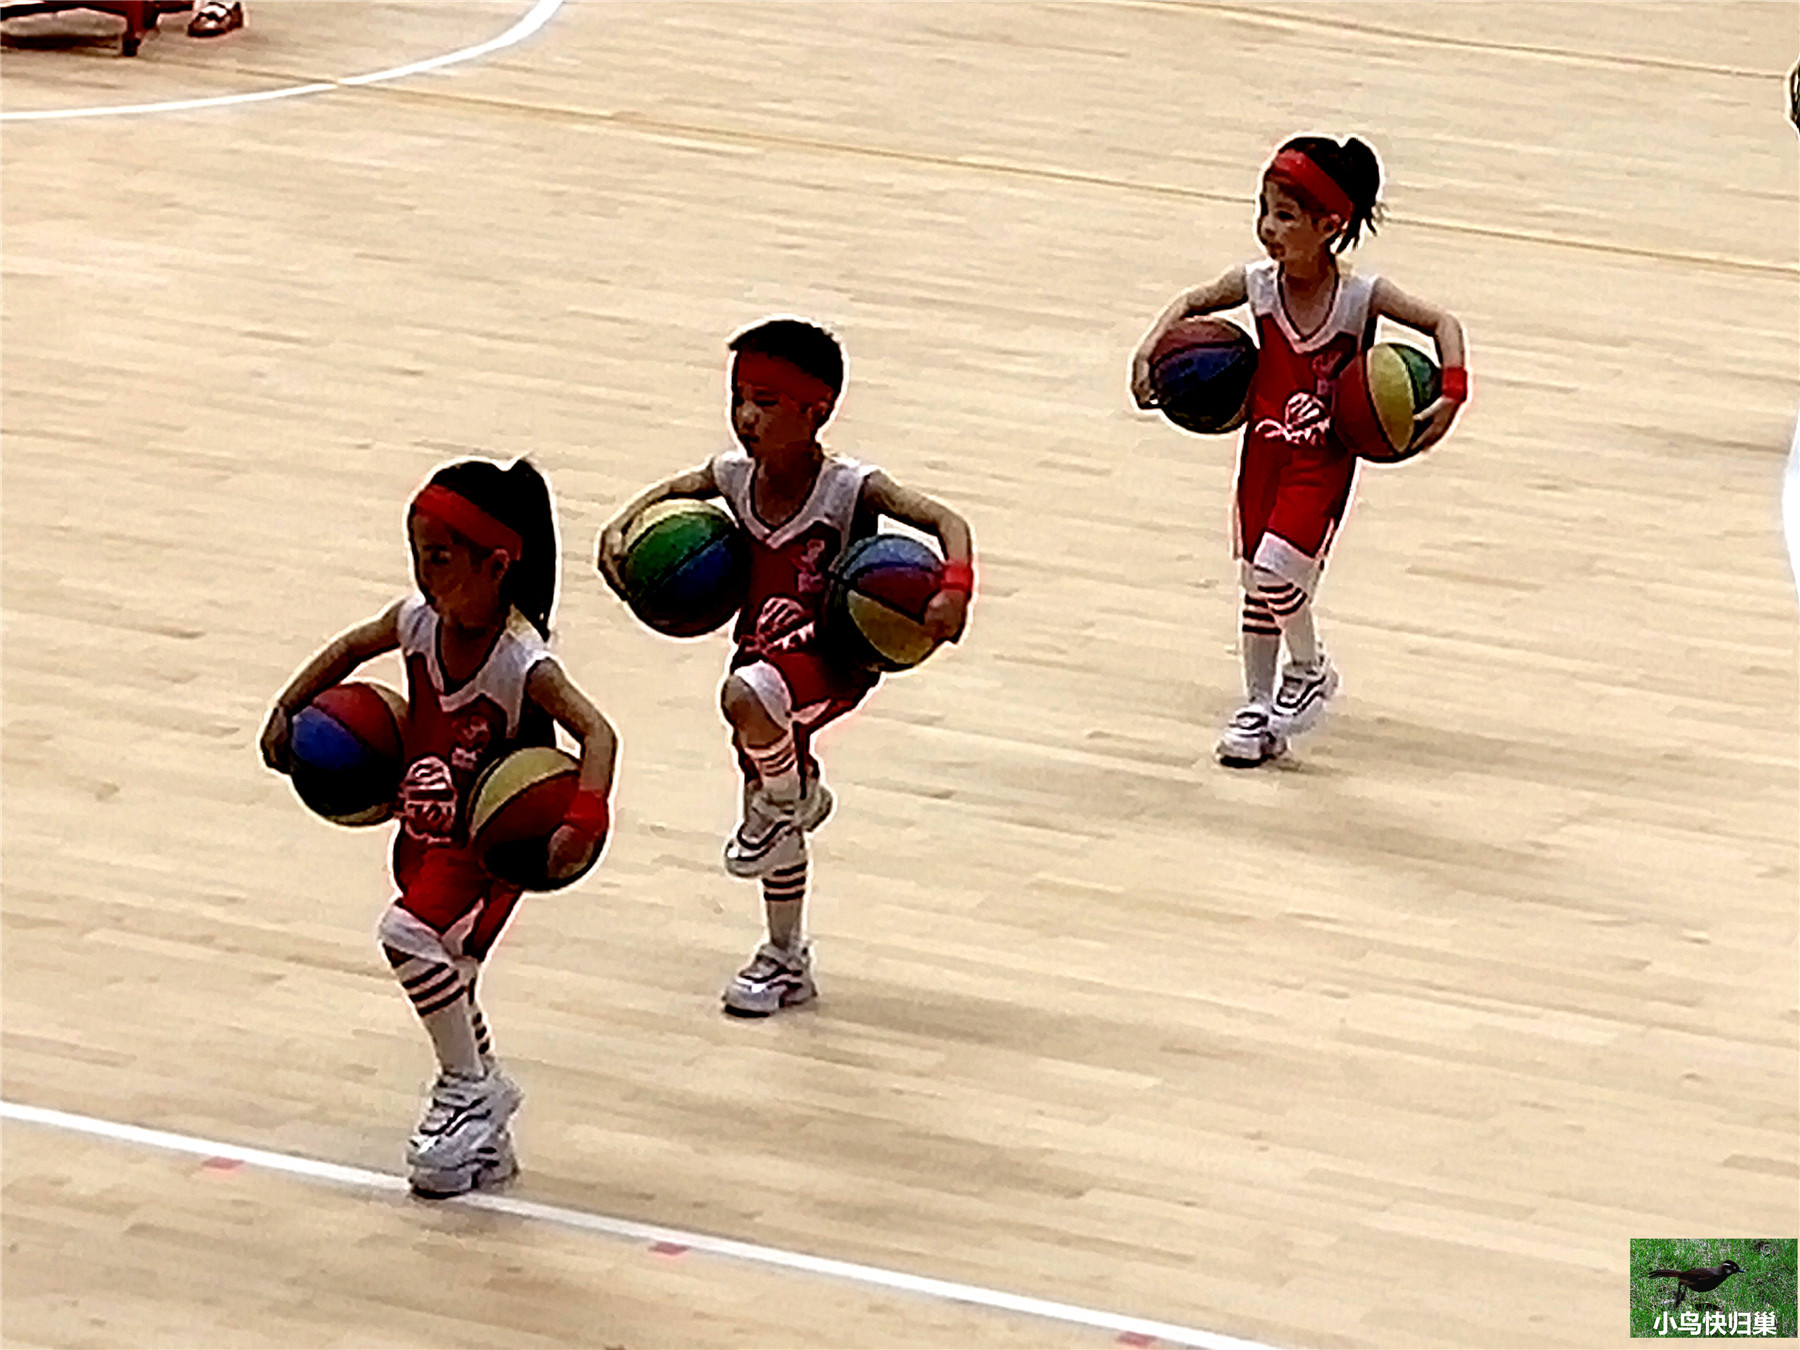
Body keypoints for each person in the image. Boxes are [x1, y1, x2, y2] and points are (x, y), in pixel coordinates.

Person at [261, 457, 618, 1198]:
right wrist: (289, 706)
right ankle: (483, 1125)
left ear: (497, 565)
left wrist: (584, 819)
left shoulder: (521, 660)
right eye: (417, 555)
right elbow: (350, 648)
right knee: (449, 973)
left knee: (407, 937)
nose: (424, 574)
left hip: (485, 852)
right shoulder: (417, 625)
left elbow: (598, 732)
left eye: (440, 558)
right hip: (422, 835)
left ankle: (467, 1088)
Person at [597, 317, 973, 1016]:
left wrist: (953, 589)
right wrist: (619, 532)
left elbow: (949, 522)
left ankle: (791, 794)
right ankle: (784, 956)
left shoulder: (849, 487)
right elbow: (665, 494)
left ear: (816, 410)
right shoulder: (732, 478)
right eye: (738, 398)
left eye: (765, 402)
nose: (746, 417)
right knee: (767, 807)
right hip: (762, 662)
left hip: (832, 658)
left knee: (747, 701)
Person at [1131, 135, 1468, 767]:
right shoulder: (1258, 286)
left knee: (1277, 572)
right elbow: (1192, 302)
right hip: (1263, 453)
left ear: (1329, 226)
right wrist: (1152, 347)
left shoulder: (1360, 297)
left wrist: (1451, 392)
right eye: (1264, 210)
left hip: (1322, 461)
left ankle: (1310, 668)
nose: (1268, 227)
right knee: (1255, 589)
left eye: (1286, 215)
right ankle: (1259, 708)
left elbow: (1443, 324)